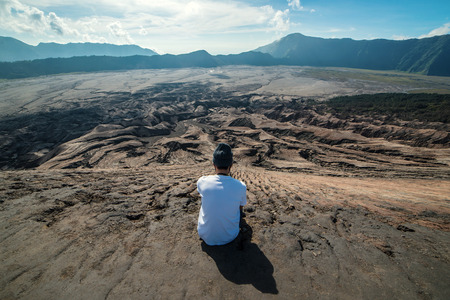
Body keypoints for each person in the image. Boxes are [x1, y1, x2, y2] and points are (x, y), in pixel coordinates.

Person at [197, 143, 247, 246]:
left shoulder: (202, 181)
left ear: (213, 164)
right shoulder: (241, 186)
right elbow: (240, 207)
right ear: (231, 165)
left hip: (204, 234)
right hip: (230, 236)